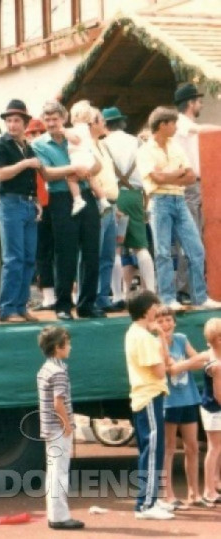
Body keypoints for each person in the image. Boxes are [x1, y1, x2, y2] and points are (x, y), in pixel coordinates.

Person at [135, 106, 221, 310]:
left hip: (178, 199)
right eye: (173, 123)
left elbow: (190, 176)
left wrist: (168, 175)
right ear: (163, 125)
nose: (176, 128)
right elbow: (156, 178)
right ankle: (167, 298)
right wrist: (176, 174)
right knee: (163, 251)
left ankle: (200, 296)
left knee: (196, 249)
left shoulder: (175, 146)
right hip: (160, 200)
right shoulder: (145, 150)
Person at [32, 100, 104, 320]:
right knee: (65, 252)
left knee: (92, 250)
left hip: (85, 193)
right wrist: (74, 168)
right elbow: (47, 173)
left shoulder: (77, 135)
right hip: (60, 197)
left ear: (63, 119)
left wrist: (87, 170)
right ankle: (63, 305)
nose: (52, 123)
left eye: (55, 119)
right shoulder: (39, 144)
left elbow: (97, 163)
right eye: (48, 120)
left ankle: (87, 304)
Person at [0, 99, 40, 323]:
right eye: (9, 121)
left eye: (16, 120)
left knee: (29, 258)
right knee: (13, 258)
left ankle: (20, 306)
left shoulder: (27, 147)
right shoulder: (0, 145)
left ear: (25, 122)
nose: (12, 125)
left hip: (28, 204)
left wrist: (36, 201)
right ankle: (8, 309)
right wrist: (25, 165)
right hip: (10, 203)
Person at [124, 290, 174, 519]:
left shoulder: (142, 334)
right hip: (148, 396)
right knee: (152, 450)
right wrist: (165, 358)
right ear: (147, 309)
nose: (158, 309)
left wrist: (161, 336)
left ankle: (151, 500)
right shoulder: (141, 337)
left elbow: (164, 360)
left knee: (153, 449)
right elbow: (162, 368)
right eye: (155, 306)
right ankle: (145, 505)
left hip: (148, 396)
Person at [173, 84, 221, 302]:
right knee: (189, 236)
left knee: (198, 236)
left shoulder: (186, 124)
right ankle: (184, 288)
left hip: (197, 184)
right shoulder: (182, 123)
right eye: (199, 101)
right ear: (190, 103)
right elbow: (201, 130)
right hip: (190, 184)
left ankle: (195, 287)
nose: (201, 104)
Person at [101, 107, 155, 295]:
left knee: (115, 248)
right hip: (135, 195)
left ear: (105, 124)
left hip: (114, 196)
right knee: (141, 246)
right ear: (121, 122)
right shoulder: (138, 142)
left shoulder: (103, 144)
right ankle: (152, 292)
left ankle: (118, 296)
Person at [157, 306, 206, 509]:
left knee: (192, 446)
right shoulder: (156, 343)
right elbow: (166, 369)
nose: (166, 324)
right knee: (169, 448)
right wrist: (187, 363)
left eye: (168, 320)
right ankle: (168, 495)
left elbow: (201, 361)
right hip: (169, 401)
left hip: (188, 399)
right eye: (160, 321)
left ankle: (194, 493)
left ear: (174, 322)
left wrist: (182, 365)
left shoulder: (182, 338)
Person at [37, 325, 84, 530]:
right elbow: (58, 402)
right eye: (68, 342)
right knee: (60, 472)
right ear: (58, 347)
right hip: (58, 428)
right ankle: (59, 516)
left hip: (49, 427)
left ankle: (55, 514)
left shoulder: (46, 368)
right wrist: (67, 425)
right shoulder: (59, 372)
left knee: (54, 470)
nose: (70, 346)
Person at [87, 107, 123, 313]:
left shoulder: (102, 145)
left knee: (108, 253)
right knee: (94, 252)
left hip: (111, 202)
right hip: (98, 202)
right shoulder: (87, 147)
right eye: (100, 120)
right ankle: (90, 297)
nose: (104, 123)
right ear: (91, 124)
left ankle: (103, 296)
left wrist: (114, 204)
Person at [26, 118, 55, 311]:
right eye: (33, 133)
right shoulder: (27, 156)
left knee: (56, 251)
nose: (37, 137)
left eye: (40, 133)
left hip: (54, 205)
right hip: (38, 206)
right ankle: (48, 296)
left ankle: (63, 294)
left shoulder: (49, 152)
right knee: (42, 253)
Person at [64, 100, 110, 216]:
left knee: (71, 178)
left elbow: (76, 140)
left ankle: (78, 199)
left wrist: (64, 132)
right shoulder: (86, 130)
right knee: (92, 180)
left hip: (79, 159)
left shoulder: (77, 129)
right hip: (88, 158)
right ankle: (103, 199)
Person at [200, 317, 221, 506]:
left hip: (214, 408)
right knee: (214, 448)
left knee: (217, 449)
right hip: (214, 409)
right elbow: (219, 394)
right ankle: (208, 490)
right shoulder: (215, 364)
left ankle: (215, 483)